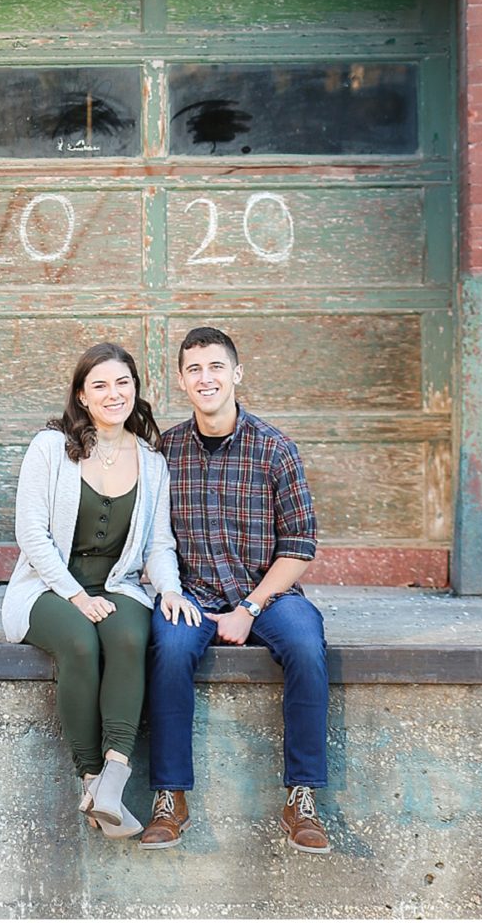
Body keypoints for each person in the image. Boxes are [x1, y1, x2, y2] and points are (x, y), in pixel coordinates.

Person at [141, 325, 331, 853]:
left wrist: (249, 607)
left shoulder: (276, 448)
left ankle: (302, 796)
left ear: (236, 374)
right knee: (170, 650)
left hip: (266, 593)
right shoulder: (164, 452)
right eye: (195, 369)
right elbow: (148, 535)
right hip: (192, 594)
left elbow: (299, 546)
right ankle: (169, 796)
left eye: (216, 367)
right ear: (181, 380)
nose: (207, 379)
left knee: (306, 647)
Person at [2, 341, 201, 839]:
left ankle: (113, 779)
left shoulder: (153, 462)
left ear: (135, 388)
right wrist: (75, 596)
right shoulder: (50, 447)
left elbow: (158, 541)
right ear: (82, 396)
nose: (114, 394)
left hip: (117, 586)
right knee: (79, 641)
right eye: (101, 386)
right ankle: (88, 776)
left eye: (123, 383)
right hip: (48, 587)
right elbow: (31, 534)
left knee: (133, 637)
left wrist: (171, 590)